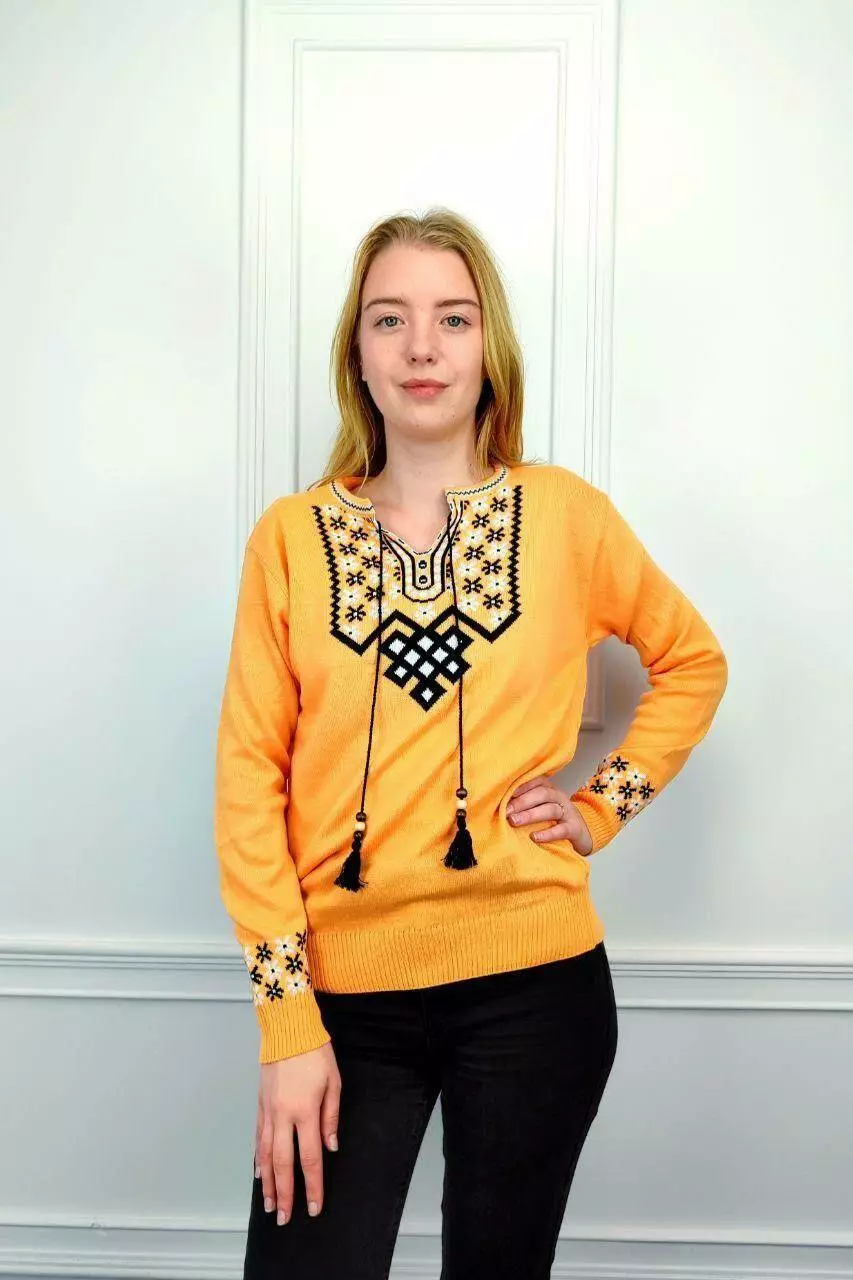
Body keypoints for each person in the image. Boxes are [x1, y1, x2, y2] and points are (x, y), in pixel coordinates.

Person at [213, 207, 728, 1279]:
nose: (421, 347)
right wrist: (286, 1020)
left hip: (537, 986)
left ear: (487, 346)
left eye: (452, 318)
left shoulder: (566, 516)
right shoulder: (290, 540)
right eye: (388, 319)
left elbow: (693, 661)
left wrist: (600, 806)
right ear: (357, 353)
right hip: (343, 998)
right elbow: (247, 782)